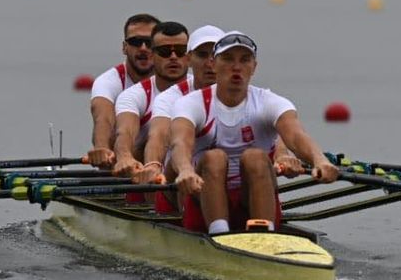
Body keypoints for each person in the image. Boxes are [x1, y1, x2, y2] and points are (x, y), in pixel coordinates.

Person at [169, 31, 340, 234]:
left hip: (253, 197)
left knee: (255, 157)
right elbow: (180, 143)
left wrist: (319, 161)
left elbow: (296, 136)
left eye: (245, 60)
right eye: (228, 59)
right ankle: (219, 232)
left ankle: (263, 235)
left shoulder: (270, 102)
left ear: (254, 67)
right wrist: (185, 170)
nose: (236, 67)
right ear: (213, 64)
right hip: (204, 200)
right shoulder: (191, 103)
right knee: (214, 157)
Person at [112, 21, 193, 178]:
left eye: (181, 51)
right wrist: (124, 157)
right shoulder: (133, 95)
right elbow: (125, 132)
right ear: (152, 55)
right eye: (164, 52)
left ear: (189, 56)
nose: (173, 57)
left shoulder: (205, 91)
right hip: (151, 175)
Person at [88, 13, 159, 168]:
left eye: (149, 42)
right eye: (135, 42)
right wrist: (101, 148)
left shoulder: (178, 81)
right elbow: (103, 118)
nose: (143, 48)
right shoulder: (108, 81)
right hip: (119, 162)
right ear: (124, 47)